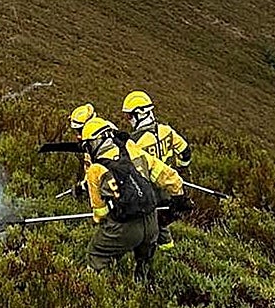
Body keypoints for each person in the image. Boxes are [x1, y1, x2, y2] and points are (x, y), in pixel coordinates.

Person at [79, 117, 189, 280]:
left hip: (125, 227)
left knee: (96, 253)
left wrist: (105, 221)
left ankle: (87, 286)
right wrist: (179, 196)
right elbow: (165, 174)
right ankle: (143, 285)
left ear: (93, 143)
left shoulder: (95, 170)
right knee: (145, 260)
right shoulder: (132, 148)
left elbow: (100, 213)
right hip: (152, 221)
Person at [121, 90, 192, 249]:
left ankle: (151, 250)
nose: (128, 120)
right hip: (168, 187)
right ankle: (168, 248)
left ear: (140, 114)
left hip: (149, 191)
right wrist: (179, 170)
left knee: (151, 223)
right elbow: (185, 152)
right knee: (162, 222)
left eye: (129, 116)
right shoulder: (167, 131)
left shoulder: (134, 142)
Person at [68, 103, 96, 199]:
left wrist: (84, 186)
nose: (78, 135)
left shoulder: (97, 141)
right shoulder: (90, 140)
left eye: (80, 130)